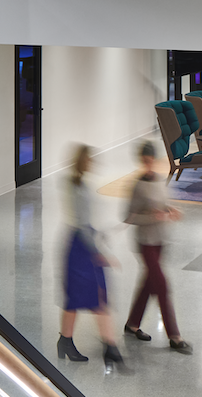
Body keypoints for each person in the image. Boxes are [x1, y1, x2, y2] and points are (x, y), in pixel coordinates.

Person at [57, 144, 130, 374]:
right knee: (96, 295)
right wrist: (99, 253)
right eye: (90, 160)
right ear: (84, 162)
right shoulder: (78, 188)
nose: (93, 163)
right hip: (82, 248)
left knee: (79, 297)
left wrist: (102, 233)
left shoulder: (77, 185)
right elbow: (81, 224)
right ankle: (110, 347)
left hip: (79, 243)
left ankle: (66, 341)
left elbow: (83, 222)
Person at [123, 140, 192, 353]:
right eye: (144, 160)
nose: (148, 164)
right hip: (145, 242)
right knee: (161, 284)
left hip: (161, 239)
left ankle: (132, 324)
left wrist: (171, 210)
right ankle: (174, 336)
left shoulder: (160, 180)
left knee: (149, 283)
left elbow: (161, 205)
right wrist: (152, 217)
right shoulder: (137, 185)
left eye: (150, 160)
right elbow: (128, 216)